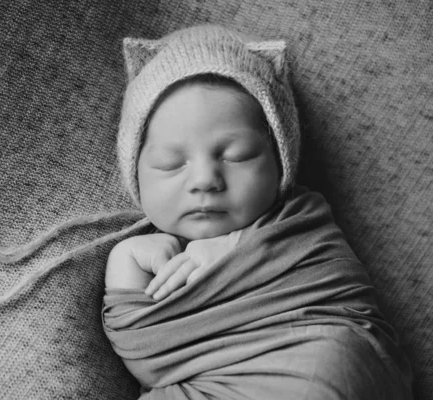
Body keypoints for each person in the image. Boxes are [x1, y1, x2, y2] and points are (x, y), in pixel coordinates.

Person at [101, 24, 413, 399]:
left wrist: (241, 247)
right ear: (135, 174)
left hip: (319, 367)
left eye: (237, 156)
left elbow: (347, 321)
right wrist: (124, 261)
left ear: (280, 164)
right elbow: (147, 356)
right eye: (171, 163)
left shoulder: (303, 223)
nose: (205, 180)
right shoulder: (145, 253)